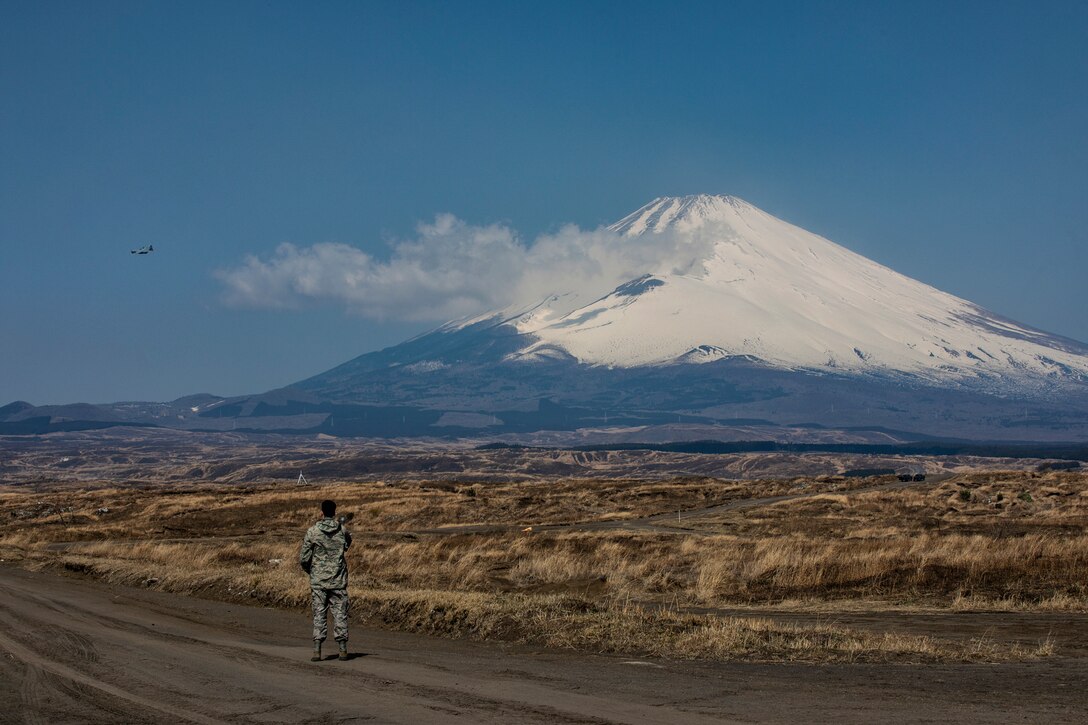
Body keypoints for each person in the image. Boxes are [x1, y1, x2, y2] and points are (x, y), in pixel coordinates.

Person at [299, 499, 352, 661]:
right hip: (338, 579)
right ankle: (342, 649)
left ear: (322, 512)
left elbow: (304, 558)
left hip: (319, 580)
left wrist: (312, 571)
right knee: (340, 613)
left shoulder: (313, 532)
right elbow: (347, 545)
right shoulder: (342, 530)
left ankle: (317, 649)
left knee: (319, 613)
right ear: (334, 512)